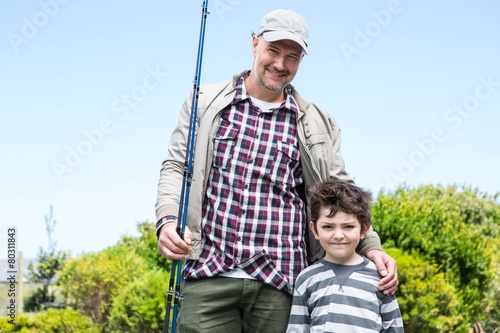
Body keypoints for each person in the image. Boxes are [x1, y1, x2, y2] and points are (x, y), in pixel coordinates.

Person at [156, 8, 398, 333]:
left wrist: (371, 247)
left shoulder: (319, 122)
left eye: (292, 57)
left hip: (282, 281)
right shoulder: (203, 102)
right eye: (273, 50)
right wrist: (168, 220)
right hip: (208, 271)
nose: (281, 64)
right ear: (255, 44)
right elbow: (175, 166)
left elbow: (340, 193)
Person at [286, 179, 404, 332]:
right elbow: (297, 329)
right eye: (328, 226)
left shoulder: (381, 278)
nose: (338, 235)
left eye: (348, 226)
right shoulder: (306, 279)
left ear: (364, 229)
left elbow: (394, 327)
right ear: (314, 229)